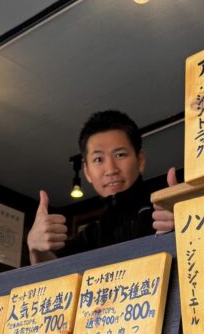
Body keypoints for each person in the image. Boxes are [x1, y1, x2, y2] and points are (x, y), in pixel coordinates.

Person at [27, 110, 177, 265]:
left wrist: (184, 223)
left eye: (120, 155)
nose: (111, 169)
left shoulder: (164, 213)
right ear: (87, 173)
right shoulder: (90, 237)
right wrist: (36, 249)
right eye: (98, 159)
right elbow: (54, 271)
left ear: (140, 161)